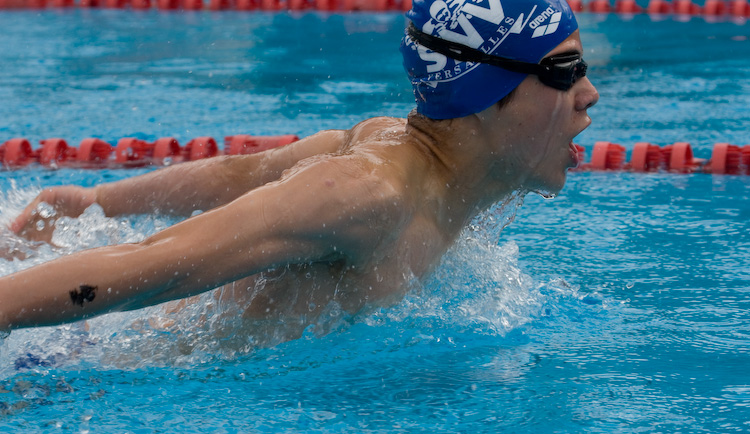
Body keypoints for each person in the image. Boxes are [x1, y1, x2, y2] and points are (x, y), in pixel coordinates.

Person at [0, 0, 598, 339]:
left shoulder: (393, 148)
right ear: (482, 93)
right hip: (77, 372)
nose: (589, 94)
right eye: (563, 72)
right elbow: (156, 265)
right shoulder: (366, 195)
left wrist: (94, 201)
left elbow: (242, 174)